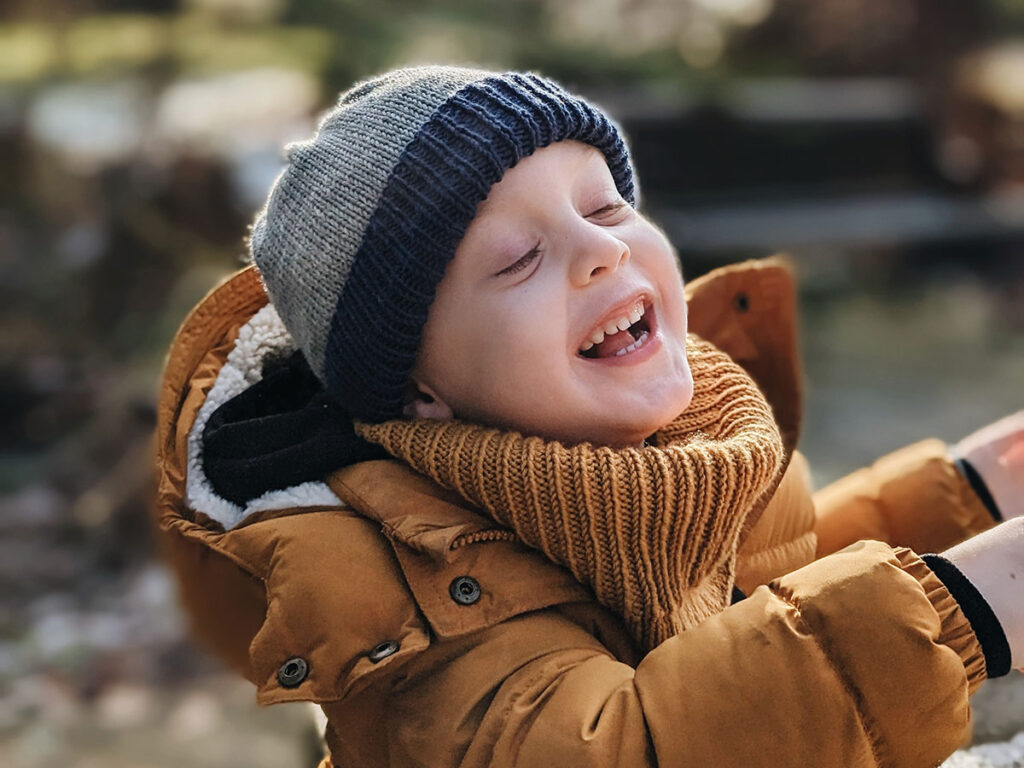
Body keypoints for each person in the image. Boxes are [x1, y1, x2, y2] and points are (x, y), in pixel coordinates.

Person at [152, 65, 1023, 768]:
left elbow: (754, 595)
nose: (603, 249)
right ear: (420, 389)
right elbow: (630, 741)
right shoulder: (400, 596)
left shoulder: (686, 452)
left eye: (605, 206)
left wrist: (963, 499)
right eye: (520, 258)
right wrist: (963, 608)